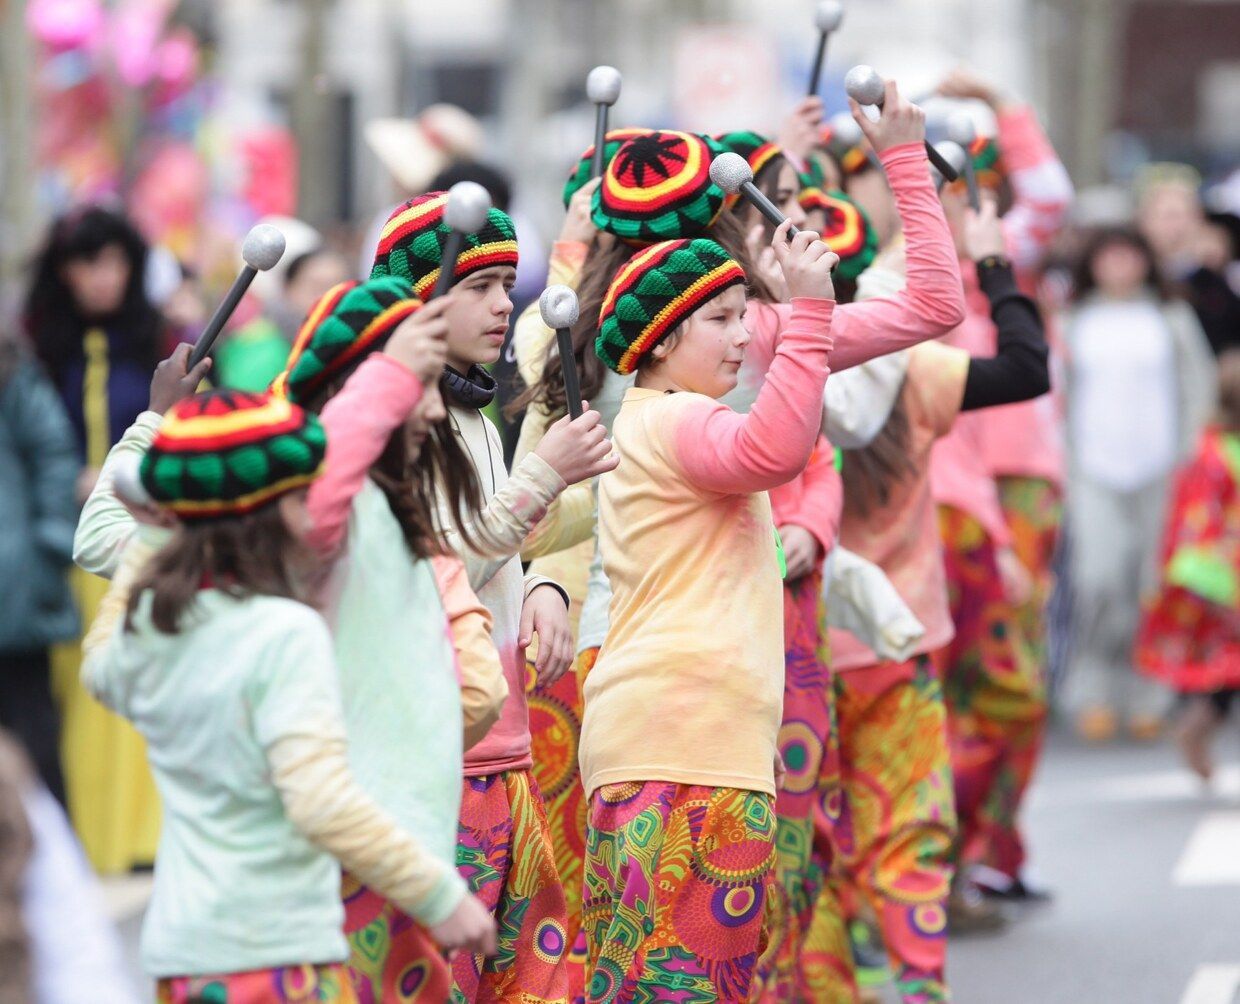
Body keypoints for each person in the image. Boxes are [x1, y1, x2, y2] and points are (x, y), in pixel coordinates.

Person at [509, 92, 964, 998]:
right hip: (651, 677)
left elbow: (931, 308)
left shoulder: (685, 326)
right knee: (675, 951)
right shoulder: (631, 338)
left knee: (654, 952)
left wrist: (904, 162)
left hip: (670, 667)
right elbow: (772, 448)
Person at [83, 388, 496, 999]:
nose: (315, 514)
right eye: (300, 496)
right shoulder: (283, 633)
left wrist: (154, 528)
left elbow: (98, 666)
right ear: (261, 513)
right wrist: (440, 896)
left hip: (185, 957)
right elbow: (319, 799)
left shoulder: (149, 631)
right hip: (281, 956)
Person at [577, 227, 837, 1001]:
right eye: (719, 318)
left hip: (679, 744)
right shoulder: (673, 421)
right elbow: (775, 452)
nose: (742, 335)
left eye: (744, 313)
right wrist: (812, 311)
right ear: (658, 342)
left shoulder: (662, 419)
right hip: (681, 747)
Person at [370, 191, 618, 1002]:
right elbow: (447, 559)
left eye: (507, 283)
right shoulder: (400, 414)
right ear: (419, 298)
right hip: (448, 754)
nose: (501, 302)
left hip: (502, 748)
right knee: (457, 981)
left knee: (534, 983)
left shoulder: (470, 404)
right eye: (477, 285)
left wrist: (609, 490)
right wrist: (550, 472)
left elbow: (508, 536)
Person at [822, 195, 1050, 1002]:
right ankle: (918, 989)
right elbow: (1028, 367)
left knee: (821, 842)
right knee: (909, 833)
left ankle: (849, 982)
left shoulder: (775, 368)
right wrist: (990, 263)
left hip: (802, 654)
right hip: (900, 643)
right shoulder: (915, 369)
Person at [23, 204, 165, 873]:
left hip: (144, 535)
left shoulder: (160, 342)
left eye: (112, 260)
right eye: (85, 262)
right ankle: (83, 839)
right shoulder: (38, 351)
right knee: (77, 691)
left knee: (142, 677)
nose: (100, 277)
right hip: (68, 548)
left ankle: (141, 837)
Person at [1063, 226, 1216, 742]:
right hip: (1092, 468)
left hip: (1162, 469)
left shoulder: (1168, 318)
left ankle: (1150, 693)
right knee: (1099, 580)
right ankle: (1093, 689)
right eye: (1110, 257)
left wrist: (1196, 456)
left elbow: (1199, 386)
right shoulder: (1074, 320)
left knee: (1152, 584)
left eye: (1130, 257)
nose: (1120, 268)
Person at [1137, 350, 1240, 780]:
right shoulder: (1213, 453)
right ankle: (1193, 732)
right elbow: (1198, 522)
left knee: (1226, 677)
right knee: (1224, 675)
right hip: (1222, 580)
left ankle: (1195, 731)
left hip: (1218, 576)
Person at [0, 341, 79, 806]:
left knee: (32, 735)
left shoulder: (16, 376)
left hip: (17, 589)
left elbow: (54, 459)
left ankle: (51, 867)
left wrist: (48, 549)